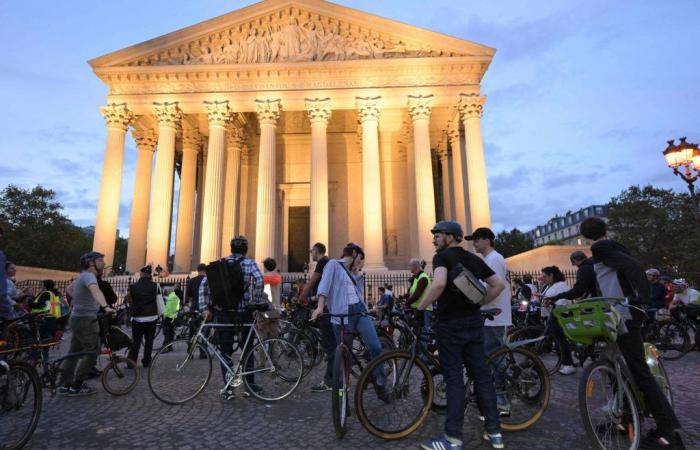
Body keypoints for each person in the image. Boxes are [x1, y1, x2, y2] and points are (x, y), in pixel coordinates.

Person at [580, 217, 683, 448]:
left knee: (638, 371)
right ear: (605, 229)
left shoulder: (600, 248)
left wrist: (640, 298)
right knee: (618, 366)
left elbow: (633, 268)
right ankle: (626, 418)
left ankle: (667, 431)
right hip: (623, 312)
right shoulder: (610, 247)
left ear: (586, 237)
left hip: (623, 314)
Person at [416, 221, 505, 450]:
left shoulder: (443, 258)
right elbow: (498, 285)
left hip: (450, 325)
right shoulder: (474, 259)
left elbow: (438, 285)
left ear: (451, 236)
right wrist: (480, 302)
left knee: (454, 379)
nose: (434, 239)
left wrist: (420, 307)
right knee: (482, 377)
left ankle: (453, 439)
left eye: (438, 235)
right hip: (473, 323)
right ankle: (494, 433)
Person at [310, 243, 388, 400]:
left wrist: (357, 273)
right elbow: (324, 285)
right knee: (344, 358)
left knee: (375, 346)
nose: (361, 262)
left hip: (359, 312)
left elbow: (357, 294)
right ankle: (341, 397)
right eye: (360, 259)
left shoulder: (354, 274)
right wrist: (319, 307)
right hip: (342, 316)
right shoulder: (333, 264)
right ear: (354, 254)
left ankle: (380, 381)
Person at [199, 235, 264, 400]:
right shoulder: (249, 263)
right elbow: (259, 280)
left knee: (225, 351)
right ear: (246, 249)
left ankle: (228, 388)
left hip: (224, 313)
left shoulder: (221, 263)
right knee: (247, 348)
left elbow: (204, 285)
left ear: (231, 248)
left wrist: (204, 308)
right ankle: (250, 385)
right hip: (244, 313)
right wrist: (254, 301)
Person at [468, 227, 512, 416]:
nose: (474, 243)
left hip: (496, 316)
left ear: (487, 240)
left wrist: (479, 302)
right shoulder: (488, 260)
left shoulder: (495, 259)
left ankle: (502, 402)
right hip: (489, 316)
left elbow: (496, 287)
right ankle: (491, 397)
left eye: (476, 240)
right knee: (489, 358)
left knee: (497, 359)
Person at [60, 251, 114, 395]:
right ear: (91, 263)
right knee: (92, 351)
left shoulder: (81, 277)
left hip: (77, 317)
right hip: (86, 320)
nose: (103, 263)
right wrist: (105, 306)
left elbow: (69, 289)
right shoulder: (90, 276)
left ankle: (65, 383)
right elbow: (96, 292)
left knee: (74, 352)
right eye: (101, 260)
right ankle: (77, 384)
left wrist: (80, 300)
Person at [297, 242, 335, 393]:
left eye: (311, 251)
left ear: (316, 251)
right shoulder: (327, 262)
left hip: (328, 310)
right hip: (327, 306)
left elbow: (313, 281)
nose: (310, 254)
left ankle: (329, 380)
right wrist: (312, 298)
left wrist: (301, 297)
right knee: (330, 343)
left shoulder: (323, 262)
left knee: (330, 346)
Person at [540, 265, 576, 375]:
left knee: (561, 341)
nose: (543, 278)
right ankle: (566, 361)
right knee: (559, 341)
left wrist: (552, 303)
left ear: (552, 275)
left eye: (545, 276)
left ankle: (568, 364)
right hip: (552, 316)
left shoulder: (560, 286)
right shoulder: (551, 285)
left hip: (559, 317)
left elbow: (563, 300)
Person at [126, 265, 159, 369]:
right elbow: (159, 300)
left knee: (136, 341)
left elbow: (128, 300)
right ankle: (146, 361)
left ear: (141, 274)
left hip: (138, 317)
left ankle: (132, 362)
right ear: (150, 275)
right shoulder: (155, 286)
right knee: (149, 341)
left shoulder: (133, 286)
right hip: (151, 317)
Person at [405, 258, 432, 331]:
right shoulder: (417, 277)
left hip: (425, 309)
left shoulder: (423, 278)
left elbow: (417, 295)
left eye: (410, 265)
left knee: (424, 333)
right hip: (418, 309)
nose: (409, 267)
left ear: (415, 266)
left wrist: (406, 303)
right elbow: (413, 292)